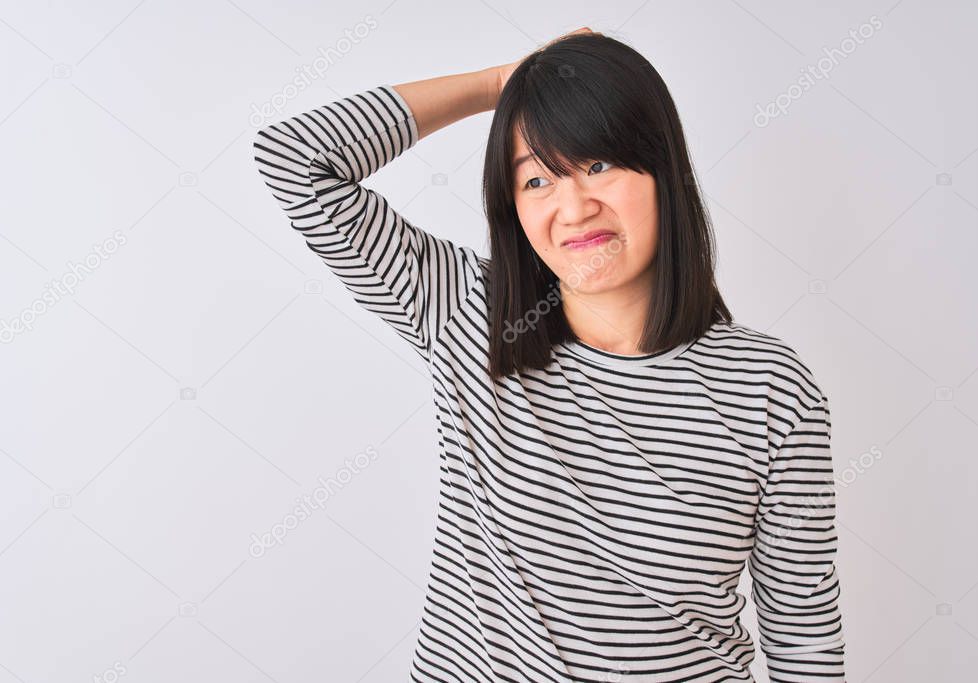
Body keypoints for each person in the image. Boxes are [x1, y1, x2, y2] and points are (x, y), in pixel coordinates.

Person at [253, 27, 846, 683]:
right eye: (536, 178)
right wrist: (504, 85)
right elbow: (293, 158)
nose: (573, 206)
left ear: (664, 169)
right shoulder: (469, 315)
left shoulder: (768, 386)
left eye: (598, 165)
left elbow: (805, 635)